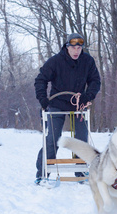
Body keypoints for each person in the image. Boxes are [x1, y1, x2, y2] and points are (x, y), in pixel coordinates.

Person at [34, 33, 101, 184]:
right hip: (57, 104)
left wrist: (88, 96)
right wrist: (43, 100)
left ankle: (81, 171)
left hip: (78, 105)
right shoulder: (56, 61)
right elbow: (40, 80)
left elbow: (95, 81)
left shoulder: (87, 61)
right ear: (67, 47)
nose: (76, 51)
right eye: (73, 47)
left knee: (81, 139)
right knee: (52, 139)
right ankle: (43, 173)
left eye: (79, 47)